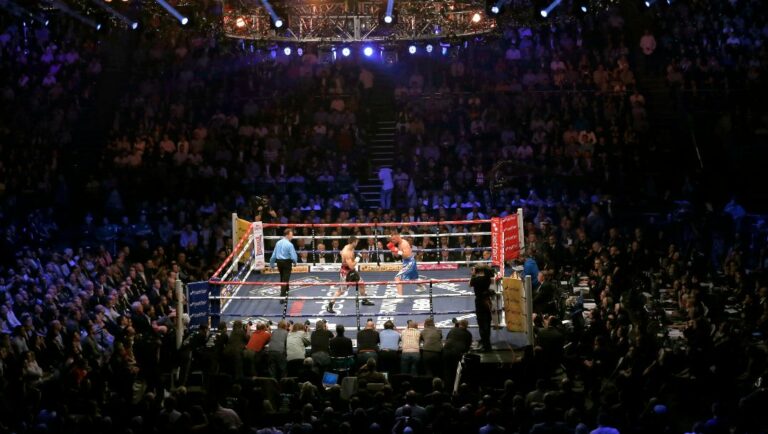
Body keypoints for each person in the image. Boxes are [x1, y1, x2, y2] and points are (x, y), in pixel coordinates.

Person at [327, 236, 374, 313]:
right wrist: (358, 258)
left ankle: (364, 300)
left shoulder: (350, 247)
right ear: (353, 242)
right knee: (341, 291)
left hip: (352, 271)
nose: (357, 243)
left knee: (362, 284)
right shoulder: (347, 252)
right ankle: (330, 305)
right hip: (346, 273)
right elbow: (351, 266)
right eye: (356, 242)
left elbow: (343, 254)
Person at [387, 231, 426, 295]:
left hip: (409, 263)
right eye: (392, 240)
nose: (392, 241)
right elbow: (397, 256)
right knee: (414, 278)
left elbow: (407, 255)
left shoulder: (404, 244)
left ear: (398, 236)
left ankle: (400, 296)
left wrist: (397, 251)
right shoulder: (399, 244)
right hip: (407, 262)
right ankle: (422, 287)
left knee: (397, 277)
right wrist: (392, 249)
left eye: (393, 239)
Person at [269, 229, 298, 303]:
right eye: (291, 235)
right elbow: (293, 256)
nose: (292, 236)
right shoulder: (290, 244)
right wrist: (295, 262)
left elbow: (274, 254)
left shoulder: (278, 242)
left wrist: (272, 263)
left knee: (283, 277)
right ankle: (282, 297)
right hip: (287, 263)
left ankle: (286, 290)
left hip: (279, 262)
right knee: (285, 279)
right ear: (287, 235)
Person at [470, 265, 494, 352]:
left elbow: (470, 284)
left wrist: (473, 275)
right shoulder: (487, 278)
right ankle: (485, 342)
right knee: (487, 322)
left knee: (482, 324)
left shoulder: (476, 279)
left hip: (480, 302)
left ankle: (486, 346)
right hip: (487, 301)